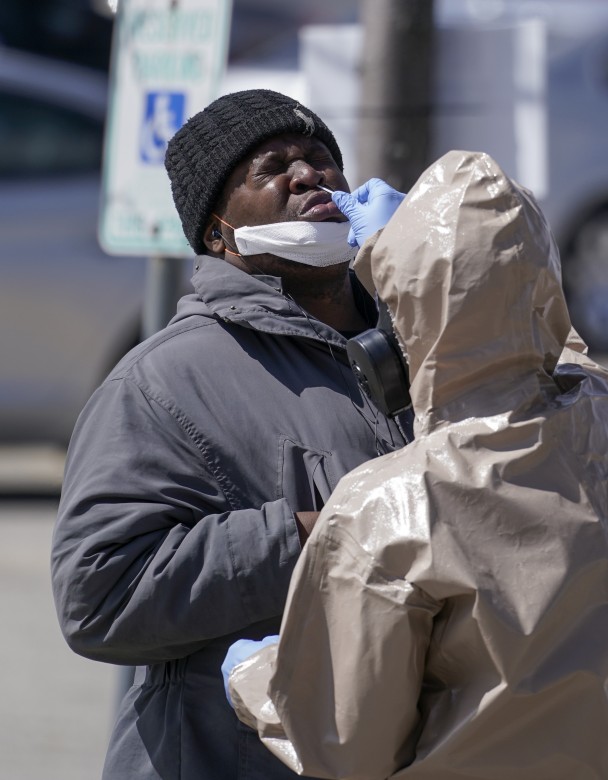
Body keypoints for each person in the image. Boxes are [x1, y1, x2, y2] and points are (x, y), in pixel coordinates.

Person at [220, 150, 608, 779]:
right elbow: (555, 341)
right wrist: (441, 252)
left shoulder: (386, 508)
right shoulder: (603, 420)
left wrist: (257, 679)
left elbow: (345, 747)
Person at [50, 89, 411, 780]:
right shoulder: (162, 382)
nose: (309, 177)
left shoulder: (422, 345)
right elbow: (96, 596)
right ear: (217, 230)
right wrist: (311, 539)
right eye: (270, 168)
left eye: (321, 160)